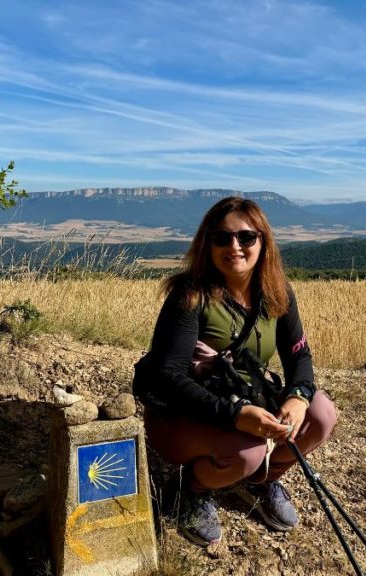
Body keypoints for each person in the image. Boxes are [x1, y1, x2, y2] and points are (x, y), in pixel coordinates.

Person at [133, 196, 337, 546]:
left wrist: (298, 396)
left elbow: (300, 358)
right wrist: (236, 416)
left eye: (246, 237)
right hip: (181, 415)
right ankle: (190, 490)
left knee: (322, 414)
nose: (234, 246)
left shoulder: (276, 294)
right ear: (206, 243)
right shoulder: (190, 296)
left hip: (239, 399)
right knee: (248, 450)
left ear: (263, 241)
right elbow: (169, 377)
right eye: (222, 237)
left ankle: (260, 482)